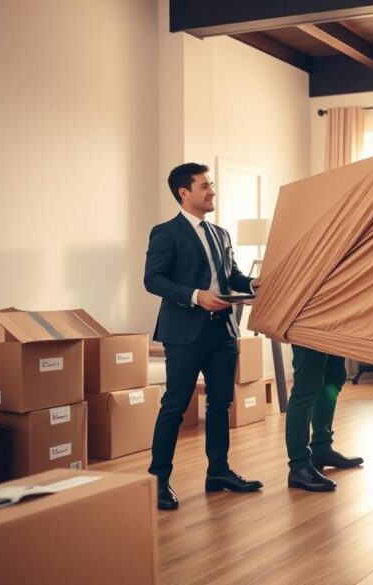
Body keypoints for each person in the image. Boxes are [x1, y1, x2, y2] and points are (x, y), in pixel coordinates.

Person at [145, 162, 263, 510]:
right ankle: (158, 481)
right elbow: (153, 279)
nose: (212, 191)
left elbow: (232, 275)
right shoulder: (165, 232)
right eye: (204, 186)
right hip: (184, 332)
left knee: (220, 403)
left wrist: (252, 283)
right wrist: (196, 295)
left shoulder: (221, 233)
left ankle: (219, 472)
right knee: (176, 405)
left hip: (222, 330)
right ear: (184, 193)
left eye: (211, 185)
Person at [285, 345, 364, 492]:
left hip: (332, 325)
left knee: (334, 377)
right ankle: (299, 466)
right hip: (306, 325)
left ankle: (321, 449)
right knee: (307, 384)